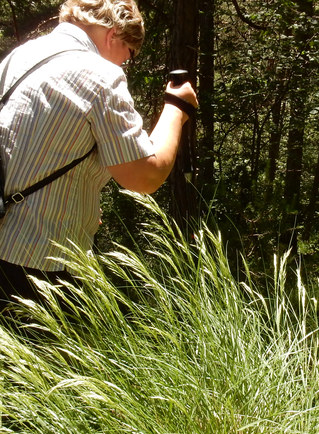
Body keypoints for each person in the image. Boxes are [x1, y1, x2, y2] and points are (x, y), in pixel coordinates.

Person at [0, 0, 198, 310]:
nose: (124, 65)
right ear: (114, 35)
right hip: (40, 264)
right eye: (129, 55)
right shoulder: (100, 75)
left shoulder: (19, 57)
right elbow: (145, 176)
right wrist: (176, 109)